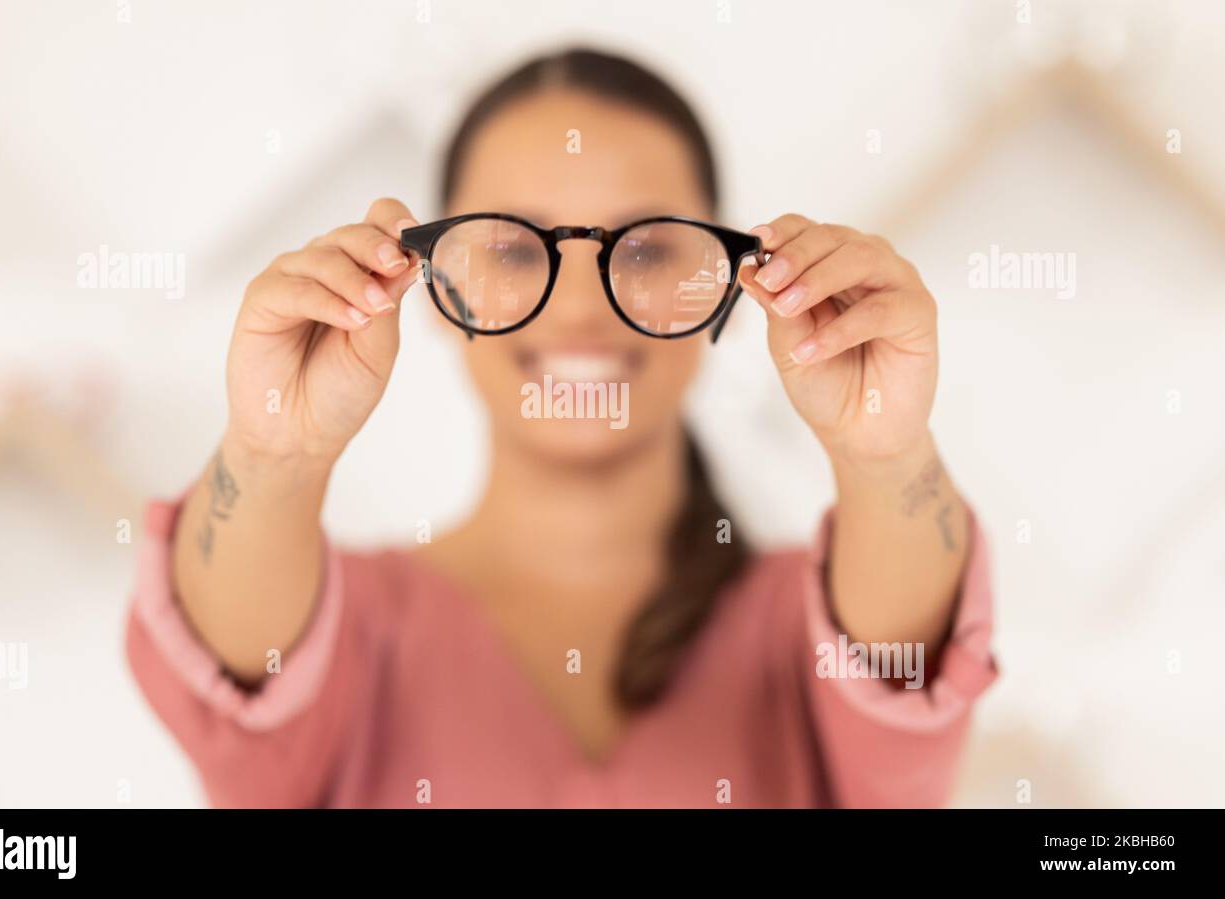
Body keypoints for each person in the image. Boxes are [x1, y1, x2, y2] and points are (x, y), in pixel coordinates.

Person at [125, 47, 997, 808]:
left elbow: (908, 672)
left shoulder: (804, 629)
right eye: (511, 248)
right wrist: (275, 449)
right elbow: (232, 667)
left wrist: (883, 454)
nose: (580, 308)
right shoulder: (342, 624)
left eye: (649, 248)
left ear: (731, 287)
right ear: (428, 285)